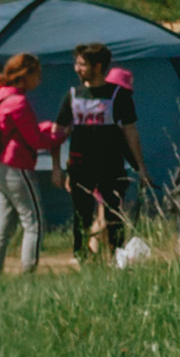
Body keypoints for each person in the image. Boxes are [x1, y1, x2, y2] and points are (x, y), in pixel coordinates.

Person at [60, 42, 144, 261]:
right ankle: (83, 260)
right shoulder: (72, 95)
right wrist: (58, 168)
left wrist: (141, 168)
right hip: (80, 166)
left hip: (110, 165)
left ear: (97, 67)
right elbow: (59, 133)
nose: (76, 69)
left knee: (113, 215)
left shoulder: (118, 96)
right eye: (76, 64)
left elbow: (131, 133)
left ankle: (117, 259)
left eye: (81, 64)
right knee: (82, 216)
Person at [0, 53, 57, 275]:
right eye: (37, 72)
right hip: (18, 168)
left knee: (3, 226)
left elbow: (20, 133)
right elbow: (35, 141)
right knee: (34, 223)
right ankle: (28, 274)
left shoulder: (2, 98)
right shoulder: (18, 102)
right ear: (25, 74)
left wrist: (45, 126)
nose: (40, 77)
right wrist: (60, 135)